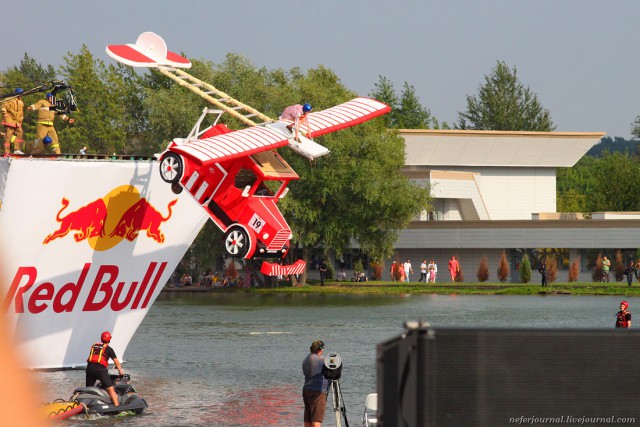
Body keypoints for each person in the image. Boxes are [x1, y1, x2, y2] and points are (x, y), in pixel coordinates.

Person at [86, 331, 125, 407]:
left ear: (101, 339)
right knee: (110, 389)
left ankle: (86, 406)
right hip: (100, 370)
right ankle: (117, 407)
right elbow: (116, 362)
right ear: (109, 340)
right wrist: (121, 373)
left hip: (89, 369)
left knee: (88, 390)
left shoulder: (94, 346)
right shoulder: (109, 349)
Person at [302, 339, 328, 427]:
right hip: (318, 391)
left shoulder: (306, 359)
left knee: (308, 417)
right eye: (322, 349)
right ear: (320, 349)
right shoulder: (322, 359)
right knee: (317, 418)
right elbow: (332, 368)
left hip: (306, 389)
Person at [2, 88, 25, 155]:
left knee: (20, 132)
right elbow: (3, 107)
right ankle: (7, 152)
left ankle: (17, 149)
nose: (21, 95)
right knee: (8, 136)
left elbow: (21, 112)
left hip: (17, 121)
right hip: (10, 120)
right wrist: (5, 115)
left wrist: (21, 119)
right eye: (20, 94)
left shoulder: (21, 101)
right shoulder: (9, 99)